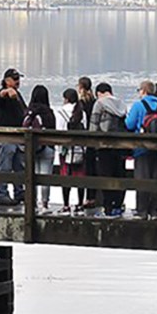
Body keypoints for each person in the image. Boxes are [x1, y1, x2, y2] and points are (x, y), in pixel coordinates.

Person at [125, 80, 157, 220]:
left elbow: (129, 125)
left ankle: (141, 210)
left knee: (142, 179)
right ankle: (155, 211)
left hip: (141, 148)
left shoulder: (138, 105)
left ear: (143, 91)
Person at [89, 82, 128, 217]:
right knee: (119, 175)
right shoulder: (122, 104)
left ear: (99, 93)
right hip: (120, 146)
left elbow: (93, 125)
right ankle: (118, 205)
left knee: (105, 176)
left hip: (104, 146)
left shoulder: (99, 104)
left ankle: (107, 207)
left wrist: (92, 143)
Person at [0, 68, 27, 206]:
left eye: (18, 79)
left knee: (19, 165)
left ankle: (19, 192)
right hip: (6, 136)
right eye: (15, 79)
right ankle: (3, 194)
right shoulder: (1, 94)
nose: (18, 82)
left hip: (19, 136)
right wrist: (7, 91)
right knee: (5, 165)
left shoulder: (18, 95)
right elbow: (0, 95)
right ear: (7, 81)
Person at [22, 85, 57, 211]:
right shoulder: (48, 112)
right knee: (45, 176)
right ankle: (45, 204)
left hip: (31, 147)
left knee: (32, 175)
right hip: (47, 147)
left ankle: (32, 203)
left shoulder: (27, 111)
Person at [58, 88, 88, 214]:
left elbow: (59, 131)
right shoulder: (82, 112)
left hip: (66, 150)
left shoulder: (61, 112)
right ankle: (80, 204)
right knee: (80, 177)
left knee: (66, 177)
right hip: (80, 149)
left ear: (66, 99)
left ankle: (66, 205)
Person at [77, 77, 98, 210]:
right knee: (93, 170)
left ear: (80, 87)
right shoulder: (95, 102)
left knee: (82, 170)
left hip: (83, 139)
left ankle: (82, 200)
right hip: (94, 139)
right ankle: (91, 197)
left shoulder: (80, 103)